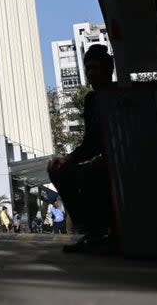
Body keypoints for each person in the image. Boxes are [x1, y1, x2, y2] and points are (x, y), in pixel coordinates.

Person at [47, 44, 117, 253]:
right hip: (100, 160)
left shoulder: (120, 94)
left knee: (90, 175)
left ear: (109, 69)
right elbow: (90, 142)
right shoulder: (91, 100)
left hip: (124, 160)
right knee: (58, 169)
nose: (91, 73)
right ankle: (89, 229)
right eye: (87, 68)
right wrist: (69, 159)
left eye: (95, 68)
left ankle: (102, 231)